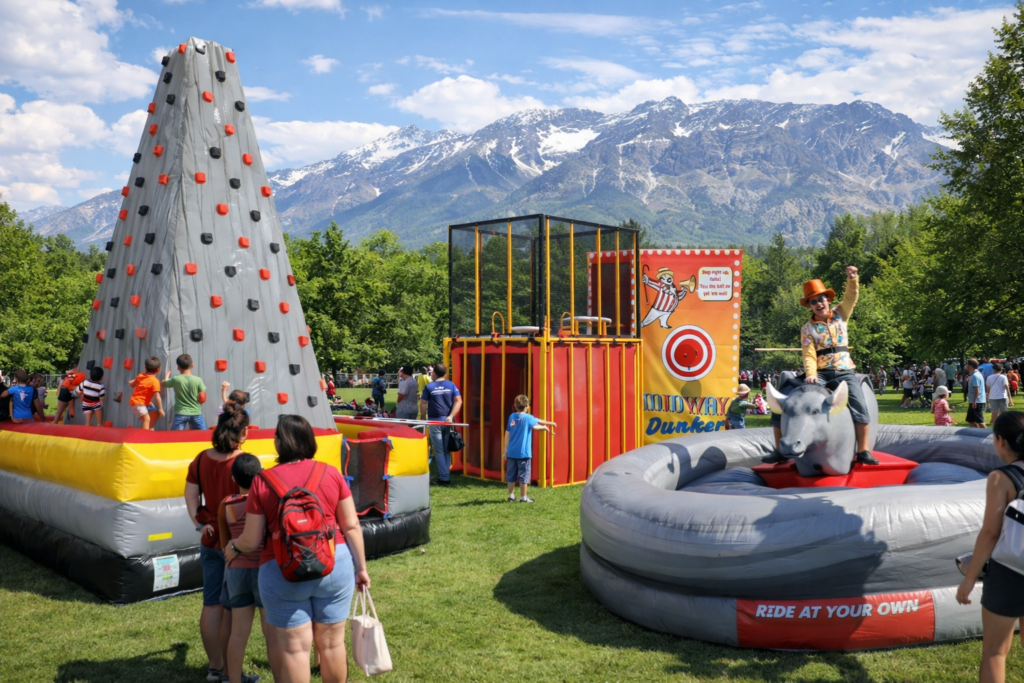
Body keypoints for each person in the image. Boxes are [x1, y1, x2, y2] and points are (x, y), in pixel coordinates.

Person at [230, 415, 370, 683]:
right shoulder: (331, 473)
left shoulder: (262, 481)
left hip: (281, 569)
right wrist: (361, 568)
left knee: (295, 649)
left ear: (281, 443)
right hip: (333, 563)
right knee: (331, 645)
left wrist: (233, 546)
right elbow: (351, 526)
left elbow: (251, 539)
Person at [766, 267, 877, 466]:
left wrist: (853, 280)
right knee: (786, 396)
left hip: (844, 371)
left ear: (828, 300)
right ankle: (778, 449)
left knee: (860, 405)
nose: (819, 304)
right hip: (822, 373)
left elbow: (851, 297)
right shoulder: (807, 329)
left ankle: (863, 450)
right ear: (809, 305)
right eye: (813, 301)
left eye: (821, 299)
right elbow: (808, 353)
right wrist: (811, 374)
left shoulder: (841, 314)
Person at [956, 411, 1024, 683]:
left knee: (995, 653)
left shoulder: (1001, 478)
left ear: (1000, 441)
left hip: (1010, 571)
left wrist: (970, 577)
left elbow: (990, 532)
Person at [184, 405, 248, 683]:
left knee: (211, 605)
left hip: (211, 541)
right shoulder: (245, 461)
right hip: (238, 544)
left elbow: (190, 497)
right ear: (243, 432)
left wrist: (200, 523)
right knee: (233, 609)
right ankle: (231, 672)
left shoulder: (200, 459)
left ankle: (215, 668)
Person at [217, 453, 272, 683]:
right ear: (260, 474)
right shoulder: (265, 501)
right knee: (271, 633)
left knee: (238, 633)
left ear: (233, 477)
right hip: (263, 568)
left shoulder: (226, 504)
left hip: (236, 570)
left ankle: (233, 679)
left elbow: (224, 542)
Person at [503, 395, 556, 503]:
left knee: (511, 475)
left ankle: (511, 496)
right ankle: (523, 497)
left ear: (515, 406)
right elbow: (537, 424)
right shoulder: (528, 418)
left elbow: (507, 433)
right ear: (527, 406)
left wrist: (505, 450)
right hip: (524, 454)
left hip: (511, 453)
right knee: (524, 476)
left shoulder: (512, 417)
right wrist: (546, 427)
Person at [419, 363, 463, 486]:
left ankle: (444, 478)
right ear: (445, 374)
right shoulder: (451, 385)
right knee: (446, 449)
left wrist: (423, 417)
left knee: (439, 450)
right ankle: (445, 475)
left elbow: (423, 403)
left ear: (434, 373)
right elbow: (458, 401)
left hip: (435, 421)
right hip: (448, 421)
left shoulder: (429, 387)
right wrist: (451, 416)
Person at [164, 354, 208, 431]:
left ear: (178, 367)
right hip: (196, 413)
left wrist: (167, 375)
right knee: (202, 436)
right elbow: (203, 398)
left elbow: (165, 383)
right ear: (192, 365)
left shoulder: (175, 379)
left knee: (175, 437)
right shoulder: (198, 380)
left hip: (180, 413)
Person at [128, 357, 164, 430]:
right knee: (146, 419)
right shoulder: (155, 381)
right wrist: (160, 408)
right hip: (137, 402)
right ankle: (144, 437)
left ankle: (150, 428)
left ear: (145, 367)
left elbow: (132, 384)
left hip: (145, 403)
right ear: (158, 370)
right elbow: (157, 396)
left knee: (154, 413)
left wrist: (130, 383)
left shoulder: (140, 375)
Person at [966, 359, 988, 428]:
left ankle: (986, 435)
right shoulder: (975, 374)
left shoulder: (975, 376)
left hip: (977, 401)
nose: (966, 366)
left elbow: (976, 388)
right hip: (974, 401)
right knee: (970, 420)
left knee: (980, 420)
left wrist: (975, 401)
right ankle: (977, 433)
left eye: (967, 364)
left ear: (970, 365)